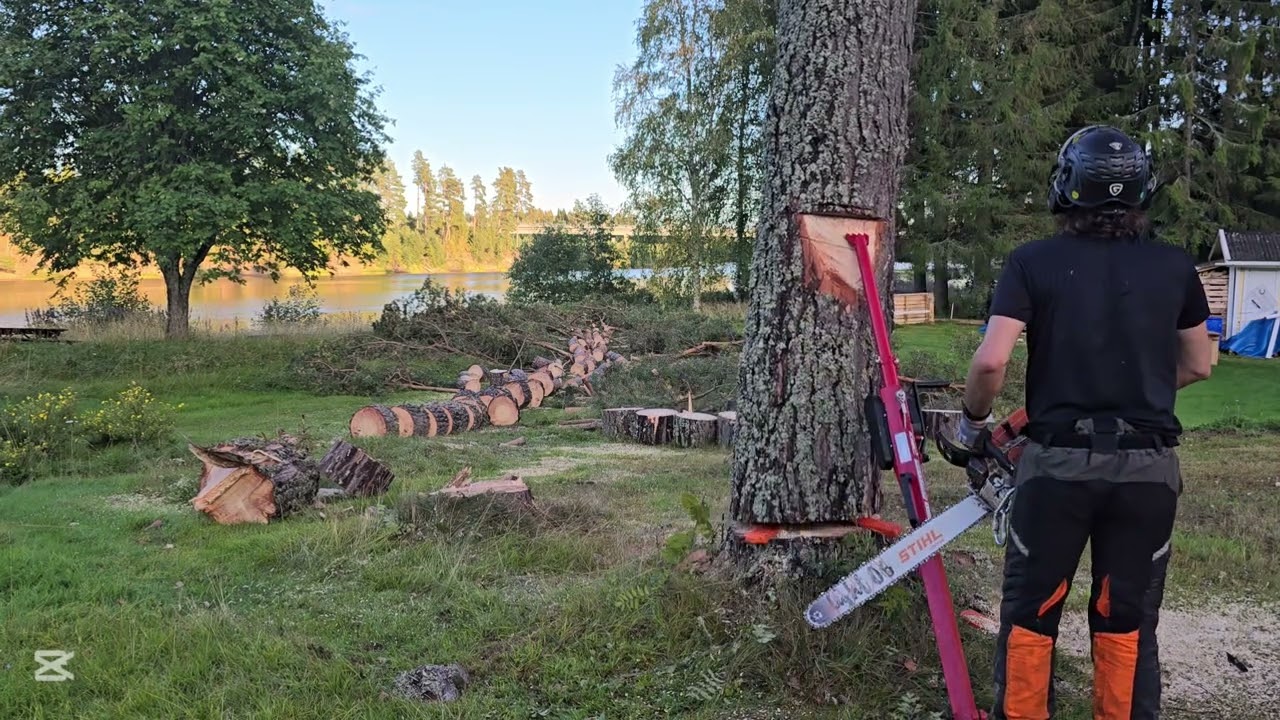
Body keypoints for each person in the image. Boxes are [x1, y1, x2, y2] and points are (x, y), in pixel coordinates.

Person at [950, 125, 1214, 719]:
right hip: (1147, 469)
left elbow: (991, 361)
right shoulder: (1174, 266)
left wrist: (974, 426)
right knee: (1126, 618)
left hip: (1057, 467)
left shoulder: (1032, 262)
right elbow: (1200, 363)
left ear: (1066, 185)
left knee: (1033, 613)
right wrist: (1134, 391)